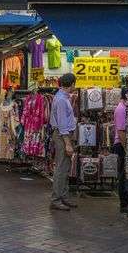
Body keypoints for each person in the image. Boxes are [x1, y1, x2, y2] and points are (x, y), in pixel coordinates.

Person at [49, 74, 78, 211]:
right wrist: (67, 143)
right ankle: (56, 199)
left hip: (64, 136)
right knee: (61, 168)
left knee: (65, 167)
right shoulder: (61, 99)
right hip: (62, 137)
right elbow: (61, 124)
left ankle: (64, 196)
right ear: (71, 84)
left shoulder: (63, 97)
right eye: (74, 84)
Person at [113, 88, 128, 212]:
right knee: (124, 175)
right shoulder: (121, 109)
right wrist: (127, 149)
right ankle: (123, 203)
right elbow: (120, 131)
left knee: (127, 173)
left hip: (124, 144)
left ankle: (127, 198)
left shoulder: (126, 108)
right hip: (121, 144)